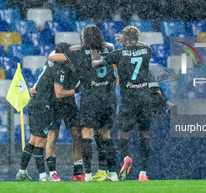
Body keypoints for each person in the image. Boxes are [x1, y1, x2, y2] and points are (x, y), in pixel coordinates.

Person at [49, 25, 118, 182]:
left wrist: (77, 48)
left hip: (91, 97)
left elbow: (52, 58)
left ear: (85, 37)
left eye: (82, 35)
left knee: (87, 133)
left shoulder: (78, 51)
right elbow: (111, 46)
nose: (81, 38)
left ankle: (87, 174)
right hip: (108, 97)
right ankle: (113, 173)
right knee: (105, 135)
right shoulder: (108, 48)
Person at [91, 26, 152, 182]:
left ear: (124, 39)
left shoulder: (118, 54)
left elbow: (96, 65)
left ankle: (126, 157)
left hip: (129, 97)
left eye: (123, 38)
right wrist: (131, 39)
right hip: (145, 96)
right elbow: (142, 45)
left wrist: (94, 57)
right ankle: (143, 173)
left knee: (122, 134)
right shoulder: (147, 51)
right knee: (144, 133)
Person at [16, 44, 77, 182]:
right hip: (44, 105)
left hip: (35, 103)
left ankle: (21, 171)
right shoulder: (59, 69)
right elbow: (59, 93)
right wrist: (77, 90)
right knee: (40, 141)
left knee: (33, 139)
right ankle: (43, 176)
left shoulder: (49, 62)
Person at [30, 42, 84, 182]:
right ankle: (53, 172)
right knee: (52, 137)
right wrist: (36, 86)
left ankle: (78, 172)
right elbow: (45, 77)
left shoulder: (77, 59)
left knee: (77, 134)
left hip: (69, 102)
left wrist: (82, 46)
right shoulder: (57, 65)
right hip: (54, 103)